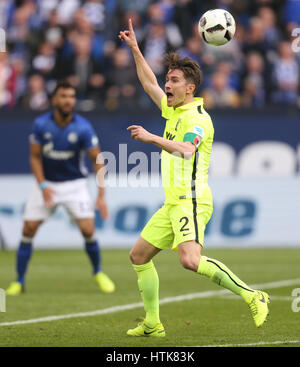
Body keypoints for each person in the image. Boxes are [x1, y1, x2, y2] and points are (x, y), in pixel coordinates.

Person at [119, 19, 270, 337]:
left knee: (189, 260)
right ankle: (152, 323)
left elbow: (187, 150)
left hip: (191, 200)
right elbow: (148, 84)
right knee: (139, 256)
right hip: (172, 204)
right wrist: (135, 49)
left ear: (190, 88)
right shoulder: (173, 110)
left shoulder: (199, 119)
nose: (167, 85)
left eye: (173, 81)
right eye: (168, 80)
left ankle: (252, 295)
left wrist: (151, 138)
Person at [6, 80, 115, 295]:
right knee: (28, 230)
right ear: (54, 99)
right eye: (64, 96)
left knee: (88, 230)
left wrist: (101, 194)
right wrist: (43, 185)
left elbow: (97, 160)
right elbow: (35, 157)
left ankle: (98, 272)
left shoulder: (83, 127)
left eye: (72, 97)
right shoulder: (40, 124)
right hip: (47, 184)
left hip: (74, 184)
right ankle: (19, 281)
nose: (68, 101)